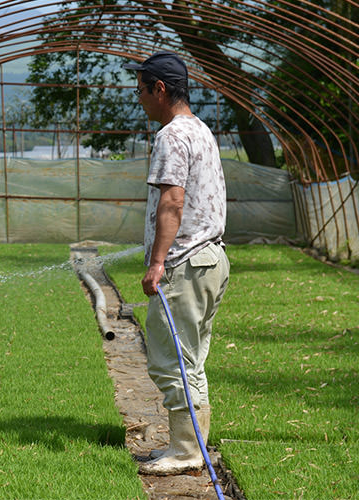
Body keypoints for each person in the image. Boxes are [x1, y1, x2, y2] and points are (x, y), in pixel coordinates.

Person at [123, 51, 230, 475]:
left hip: (185, 262)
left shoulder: (171, 135)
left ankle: (186, 453)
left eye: (141, 91)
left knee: (171, 361)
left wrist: (156, 263)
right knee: (191, 360)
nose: (139, 99)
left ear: (160, 89)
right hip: (212, 259)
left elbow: (173, 201)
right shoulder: (201, 129)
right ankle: (191, 447)